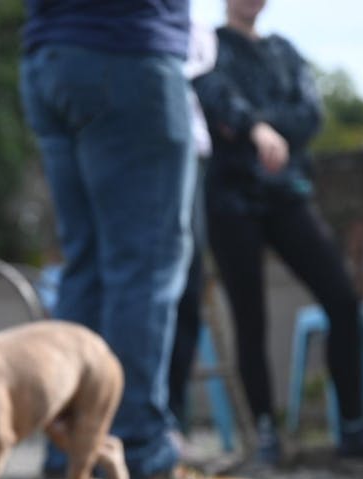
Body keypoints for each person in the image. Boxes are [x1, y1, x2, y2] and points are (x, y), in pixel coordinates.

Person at [20, 0, 256, 479]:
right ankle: (141, 455)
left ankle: (70, 461)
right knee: (145, 263)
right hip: (128, 52)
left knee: (86, 267)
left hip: (48, 55)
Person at [193, 0, 363, 465]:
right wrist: (253, 125)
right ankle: (267, 436)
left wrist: (257, 125)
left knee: (343, 299)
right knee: (249, 318)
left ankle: (354, 430)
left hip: (286, 193)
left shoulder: (284, 50)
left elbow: (309, 115)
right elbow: (214, 100)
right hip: (230, 200)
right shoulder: (209, 46)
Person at [169, 22, 216, 432]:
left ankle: (171, 418)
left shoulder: (200, 33)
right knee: (160, 287)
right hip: (158, 144)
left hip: (191, 152)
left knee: (187, 290)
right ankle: (154, 428)